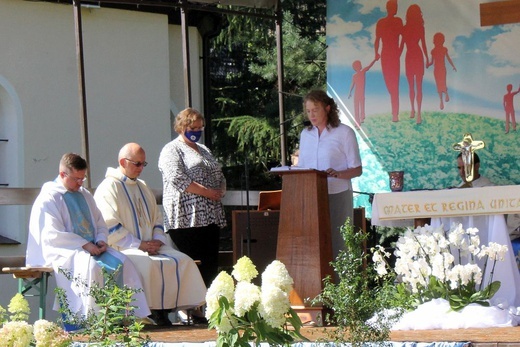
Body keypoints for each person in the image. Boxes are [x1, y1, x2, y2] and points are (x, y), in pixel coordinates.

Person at [26, 153, 150, 322]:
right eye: (76, 179)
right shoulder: (49, 197)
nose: (80, 183)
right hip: (65, 250)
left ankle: (126, 318)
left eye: (82, 179)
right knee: (92, 268)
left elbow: (100, 222)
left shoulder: (85, 195)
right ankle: (89, 320)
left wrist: (100, 240)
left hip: (92, 247)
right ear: (63, 174)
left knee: (124, 263)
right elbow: (52, 234)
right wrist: (85, 245)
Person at [94, 143, 207, 326]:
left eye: (143, 164)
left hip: (151, 246)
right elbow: (109, 226)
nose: (140, 169)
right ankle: (150, 313)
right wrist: (140, 245)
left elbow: (157, 218)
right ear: (123, 161)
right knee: (146, 264)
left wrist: (156, 240)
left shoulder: (143, 187)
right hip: (123, 247)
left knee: (183, 260)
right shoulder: (108, 188)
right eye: (137, 164)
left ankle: (187, 311)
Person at [158, 108, 226, 290]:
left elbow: (217, 172)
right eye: (193, 127)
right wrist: (206, 192)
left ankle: (206, 306)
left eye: (200, 127)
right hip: (186, 219)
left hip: (209, 216)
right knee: (189, 265)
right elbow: (177, 178)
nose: (196, 131)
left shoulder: (204, 149)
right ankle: (188, 307)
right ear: (181, 127)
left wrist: (221, 188)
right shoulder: (171, 150)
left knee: (209, 265)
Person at [297, 90, 363, 263]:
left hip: (337, 193)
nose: (311, 114)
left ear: (327, 108)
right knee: (314, 242)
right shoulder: (305, 135)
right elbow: (302, 167)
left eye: (315, 109)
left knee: (339, 242)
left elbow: (357, 169)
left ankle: (341, 285)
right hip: (312, 196)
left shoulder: (344, 133)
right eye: (308, 110)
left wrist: (339, 173)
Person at [374, 0, 403, 122]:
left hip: (394, 55)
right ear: (388, 8)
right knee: (388, 83)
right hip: (385, 54)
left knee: (395, 84)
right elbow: (377, 39)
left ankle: (395, 113)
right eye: (394, 6)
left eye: (396, 6)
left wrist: (399, 51)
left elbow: (403, 37)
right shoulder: (381, 22)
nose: (395, 8)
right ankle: (394, 110)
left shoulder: (398, 21)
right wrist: (376, 53)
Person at [399, 4, 429, 124]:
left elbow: (401, 46)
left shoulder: (406, 28)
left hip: (411, 56)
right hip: (416, 55)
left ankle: (414, 111)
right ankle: (417, 113)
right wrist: (427, 58)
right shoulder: (419, 28)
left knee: (412, 86)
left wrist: (396, 56)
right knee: (418, 86)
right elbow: (423, 45)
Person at [426, 32, 457, 110]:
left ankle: (446, 94)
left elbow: (448, 58)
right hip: (437, 70)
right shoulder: (433, 51)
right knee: (439, 84)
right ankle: (441, 101)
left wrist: (453, 66)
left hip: (442, 69)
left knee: (442, 82)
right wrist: (428, 65)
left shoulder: (444, 49)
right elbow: (432, 62)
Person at [348, 58, 377, 128]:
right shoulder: (355, 75)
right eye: (360, 65)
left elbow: (369, 66)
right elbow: (352, 84)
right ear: (357, 67)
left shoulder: (363, 72)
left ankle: (361, 118)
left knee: (361, 107)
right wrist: (349, 92)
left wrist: (375, 60)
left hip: (360, 94)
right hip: (357, 94)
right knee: (357, 108)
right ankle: (357, 122)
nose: (361, 66)